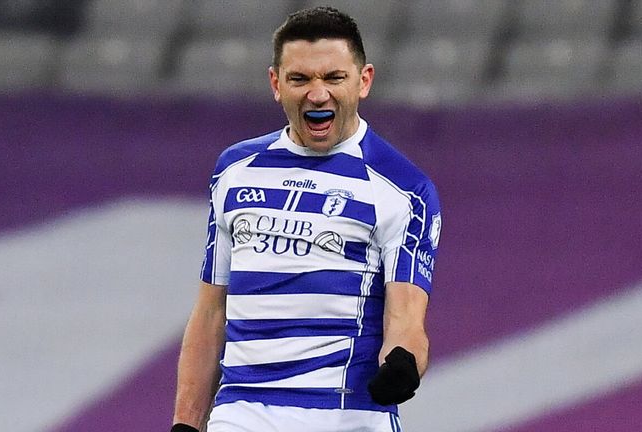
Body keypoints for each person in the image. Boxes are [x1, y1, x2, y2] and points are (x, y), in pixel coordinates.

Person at [171, 6, 441, 432]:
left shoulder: (404, 189)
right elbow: (211, 312)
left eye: (334, 78)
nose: (318, 94)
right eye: (300, 79)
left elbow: (406, 319)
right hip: (244, 412)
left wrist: (403, 364)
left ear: (363, 80)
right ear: (276, 83)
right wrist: (186, 424)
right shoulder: (235, 170)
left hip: (348, 414)